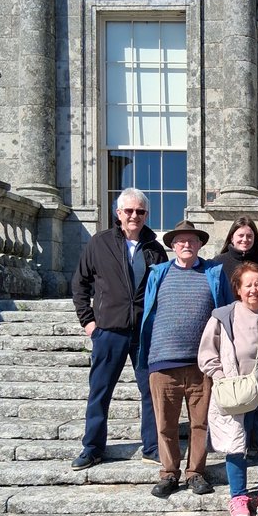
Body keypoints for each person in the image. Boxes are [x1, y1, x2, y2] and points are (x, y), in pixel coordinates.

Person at [70, 188, 167, 470]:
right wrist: (88, 322)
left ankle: (152, 446)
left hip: (143, 333)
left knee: (151, 391)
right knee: (100, 390)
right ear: (118, 214)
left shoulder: (155, 249)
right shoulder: (99, 243)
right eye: (129, 211)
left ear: (146, 215)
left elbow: (161, 290)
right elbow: (80, 285)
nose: (134, 216)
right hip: (109, 331)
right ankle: (93, 447)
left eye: (140, 212)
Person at [138, 220, 232, 498]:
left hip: (201, 365)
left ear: (200, 244)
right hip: (163, 363)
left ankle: (195, 473)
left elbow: (226, 313)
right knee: (165, 425)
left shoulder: (213, 273)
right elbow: (147, 312)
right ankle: (168, 473)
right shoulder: (159, 273)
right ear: (172, 245)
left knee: (200, 423)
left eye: (192, 240)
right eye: (181, 241)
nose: (187, 245)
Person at [198, 263, 258, 516]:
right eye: (248, 285)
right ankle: (238, 497)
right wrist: (223, 380)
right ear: (238, 289)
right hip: (235, 396)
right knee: (235, 447)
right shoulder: (223, 316)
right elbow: (207, 356)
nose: (254, 289)